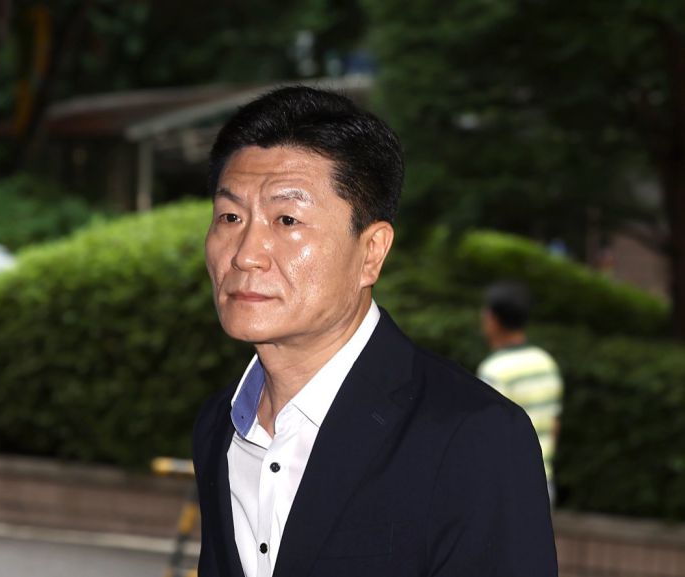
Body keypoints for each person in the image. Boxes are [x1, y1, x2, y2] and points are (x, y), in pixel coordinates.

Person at [193, 86, 557, 577]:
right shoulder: (219, 426)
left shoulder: (473, 435)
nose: (245, 254)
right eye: (230, 217)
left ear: (371, 253)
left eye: (287, 219)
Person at [478, 281, 564, 506]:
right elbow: (553, 425)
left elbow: (488, 436)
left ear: (492, 319)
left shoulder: (495, 371)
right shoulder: (546, 363)